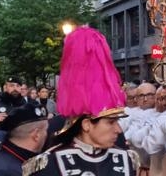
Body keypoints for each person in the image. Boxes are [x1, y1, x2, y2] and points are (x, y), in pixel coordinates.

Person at [24, 27, 138, 175]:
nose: (118, 129)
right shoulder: (49, 163)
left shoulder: (127, 160)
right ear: (86, 124)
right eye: (110, 122)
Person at [0, 104, 48, 176]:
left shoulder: (23, 158)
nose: (47, 134)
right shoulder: (4, 172)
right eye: (45, 130)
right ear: (36, 135)